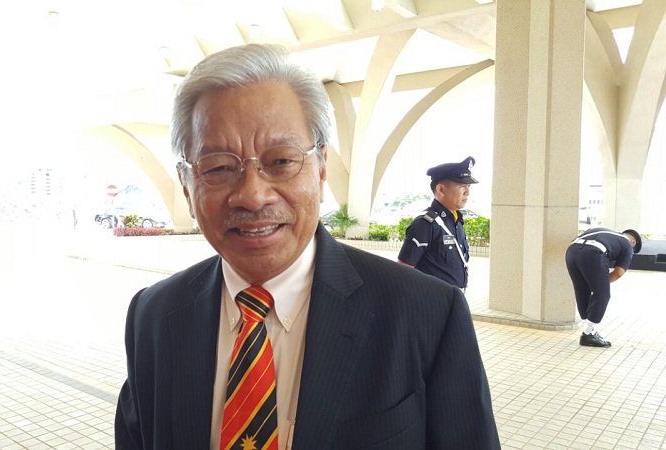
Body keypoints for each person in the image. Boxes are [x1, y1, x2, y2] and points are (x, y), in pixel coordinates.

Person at [115, 44, 500, 449]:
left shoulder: (428, 315)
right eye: (219, 167)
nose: (253, 195)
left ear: (320, 168)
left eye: (281, 161)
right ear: (186, 182)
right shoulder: (153, 316)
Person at [397, 157, 478, 290]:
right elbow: (402, 272)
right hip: (432, 304)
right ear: (441, 189)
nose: (467, 192)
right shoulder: (425, 224)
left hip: (454, 301)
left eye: (468, 186)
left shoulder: (456, 221)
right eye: (463, 186)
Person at [566, 227, 642, 348]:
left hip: (571, 251)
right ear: (633, 243)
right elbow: (618, 273)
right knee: (602, 294)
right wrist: (600, 283)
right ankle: (588, 334)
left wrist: (595, 282)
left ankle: (589, 329)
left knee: (582, 290)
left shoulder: (605, 232)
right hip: (593, 252)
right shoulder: (627, 245)